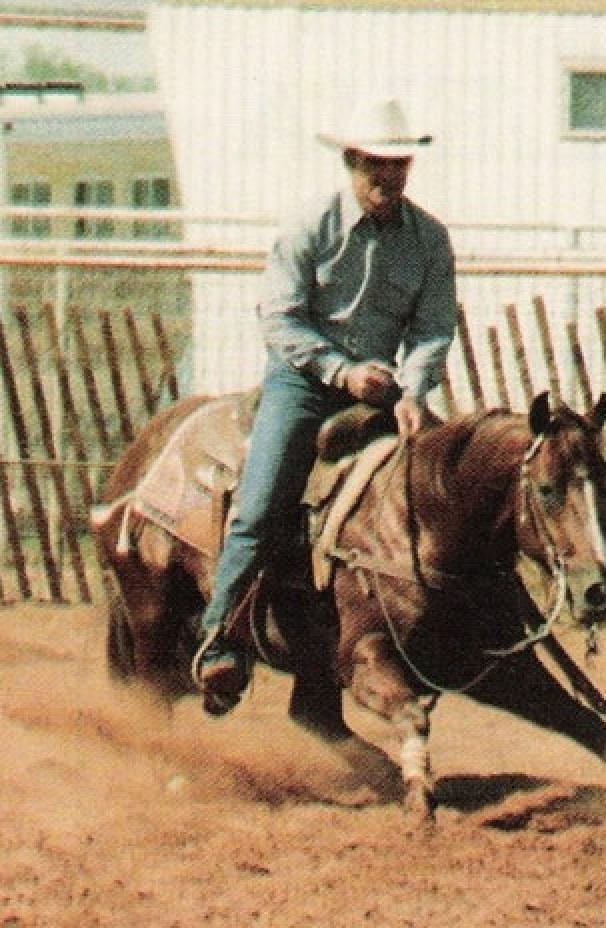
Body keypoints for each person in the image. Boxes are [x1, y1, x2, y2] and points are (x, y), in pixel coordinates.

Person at [192, 97, 457, 707]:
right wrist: (342, 371)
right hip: (304, 384)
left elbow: (433, 327)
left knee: (447, 486)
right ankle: (220, 638)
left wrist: (415, 390)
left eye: (398, 164)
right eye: (375, 164)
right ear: (351, 163)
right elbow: (279, 318)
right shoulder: (311, 226)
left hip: (385, 389)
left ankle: (449, 628)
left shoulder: (429, 240)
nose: (388, 176)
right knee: (261, 505)